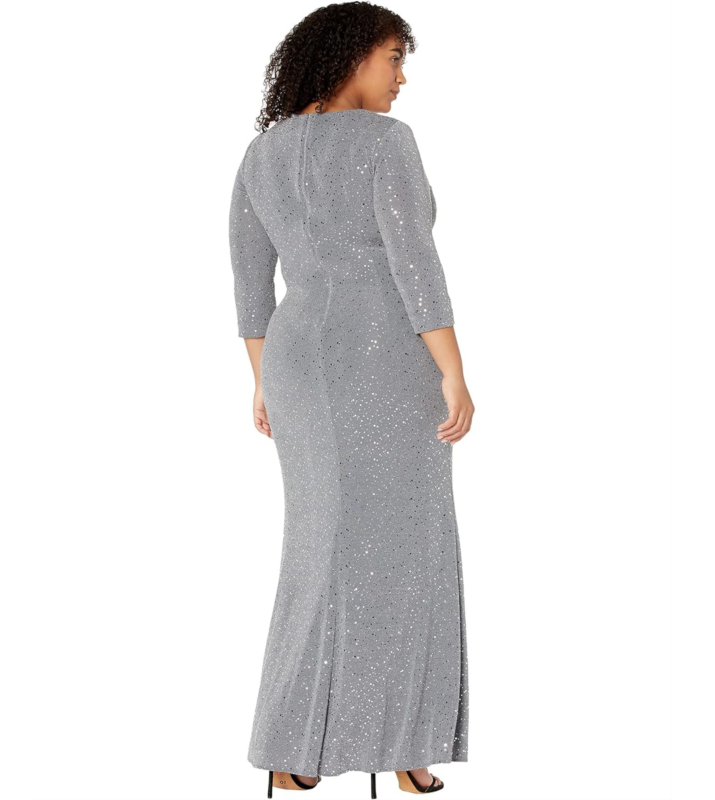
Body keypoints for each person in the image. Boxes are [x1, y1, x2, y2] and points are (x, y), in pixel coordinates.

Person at [228, 3, 474, 796]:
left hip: (296, 361)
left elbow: (250, 287)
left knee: (319, 545)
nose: (401, 78)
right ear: (352, 55)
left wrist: (262, 380)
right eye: (394, 58)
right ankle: (404, 747)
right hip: (383, 355)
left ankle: (300, 750)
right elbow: (415, 263)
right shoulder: (384, 141)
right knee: (409, 549)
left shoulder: (262, 153)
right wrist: (453, 371)